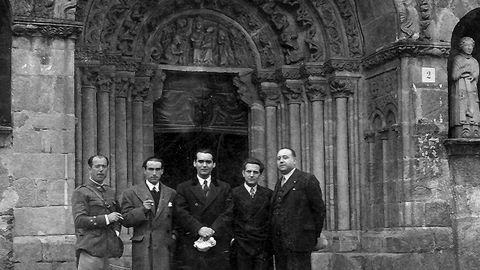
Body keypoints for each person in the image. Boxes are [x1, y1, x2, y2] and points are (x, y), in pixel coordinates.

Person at [174, 148, 233, 270]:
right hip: (191, 243)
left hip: (217, 243)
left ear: (214, 164)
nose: (204, 165)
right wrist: (199, 228)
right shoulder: (183, 187)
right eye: (201, 161)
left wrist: (212, 230)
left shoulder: (224, 187)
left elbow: (228, 213)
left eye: (208, 162)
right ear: (194, 163)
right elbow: (181, 212)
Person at [271, 148, 326, 270]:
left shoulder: (307, 179)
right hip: (280, 243)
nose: (281, 161)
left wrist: (312, 235)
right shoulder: (279, 183)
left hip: (300, 242)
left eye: (285, 157)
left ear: (294, 161)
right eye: (278, 158)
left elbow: (319, 210)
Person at [120, 157, 177, 270]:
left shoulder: (171, 193)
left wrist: (173, 235)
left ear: (162, 171)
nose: (154, 173)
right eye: (151, 169)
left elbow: (177, 219)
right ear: (144, 171)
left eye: (157, 169)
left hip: (164, 246)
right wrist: (142, 210)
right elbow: (125, 220)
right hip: (143, 247)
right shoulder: (131, 193)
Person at [72, 155, 124, 270]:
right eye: (97, 166)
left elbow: (118, 214)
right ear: (90, 169)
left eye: (104, 166)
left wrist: (116, 231)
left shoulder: (110, 191)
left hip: (109, 248)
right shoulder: (81, 192)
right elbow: (79, 220)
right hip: (91, 248)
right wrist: (106, 219)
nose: (101, 169)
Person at [231, 157, 273, 270]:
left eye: (255, 172)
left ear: (260, 174)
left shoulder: (268, 194)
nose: (251, 175)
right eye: (249, 171)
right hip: (241, 245)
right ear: (243, 173)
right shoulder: (233, 193)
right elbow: (229, 218)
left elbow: (271, 220)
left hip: (262, 247)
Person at [450, 36, 480, 137]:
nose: (469, 48)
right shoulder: (458, 59)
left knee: (473, 109)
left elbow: (476, 74)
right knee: (461, 107)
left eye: (471, 45)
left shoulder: (474, 61)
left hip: (472, 89)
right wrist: (464, 70)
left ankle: (475, 130)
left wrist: (473, 75)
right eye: (466, 45)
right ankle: (462, 130)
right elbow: (454, 75)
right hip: (461, 89)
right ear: (461, 46)